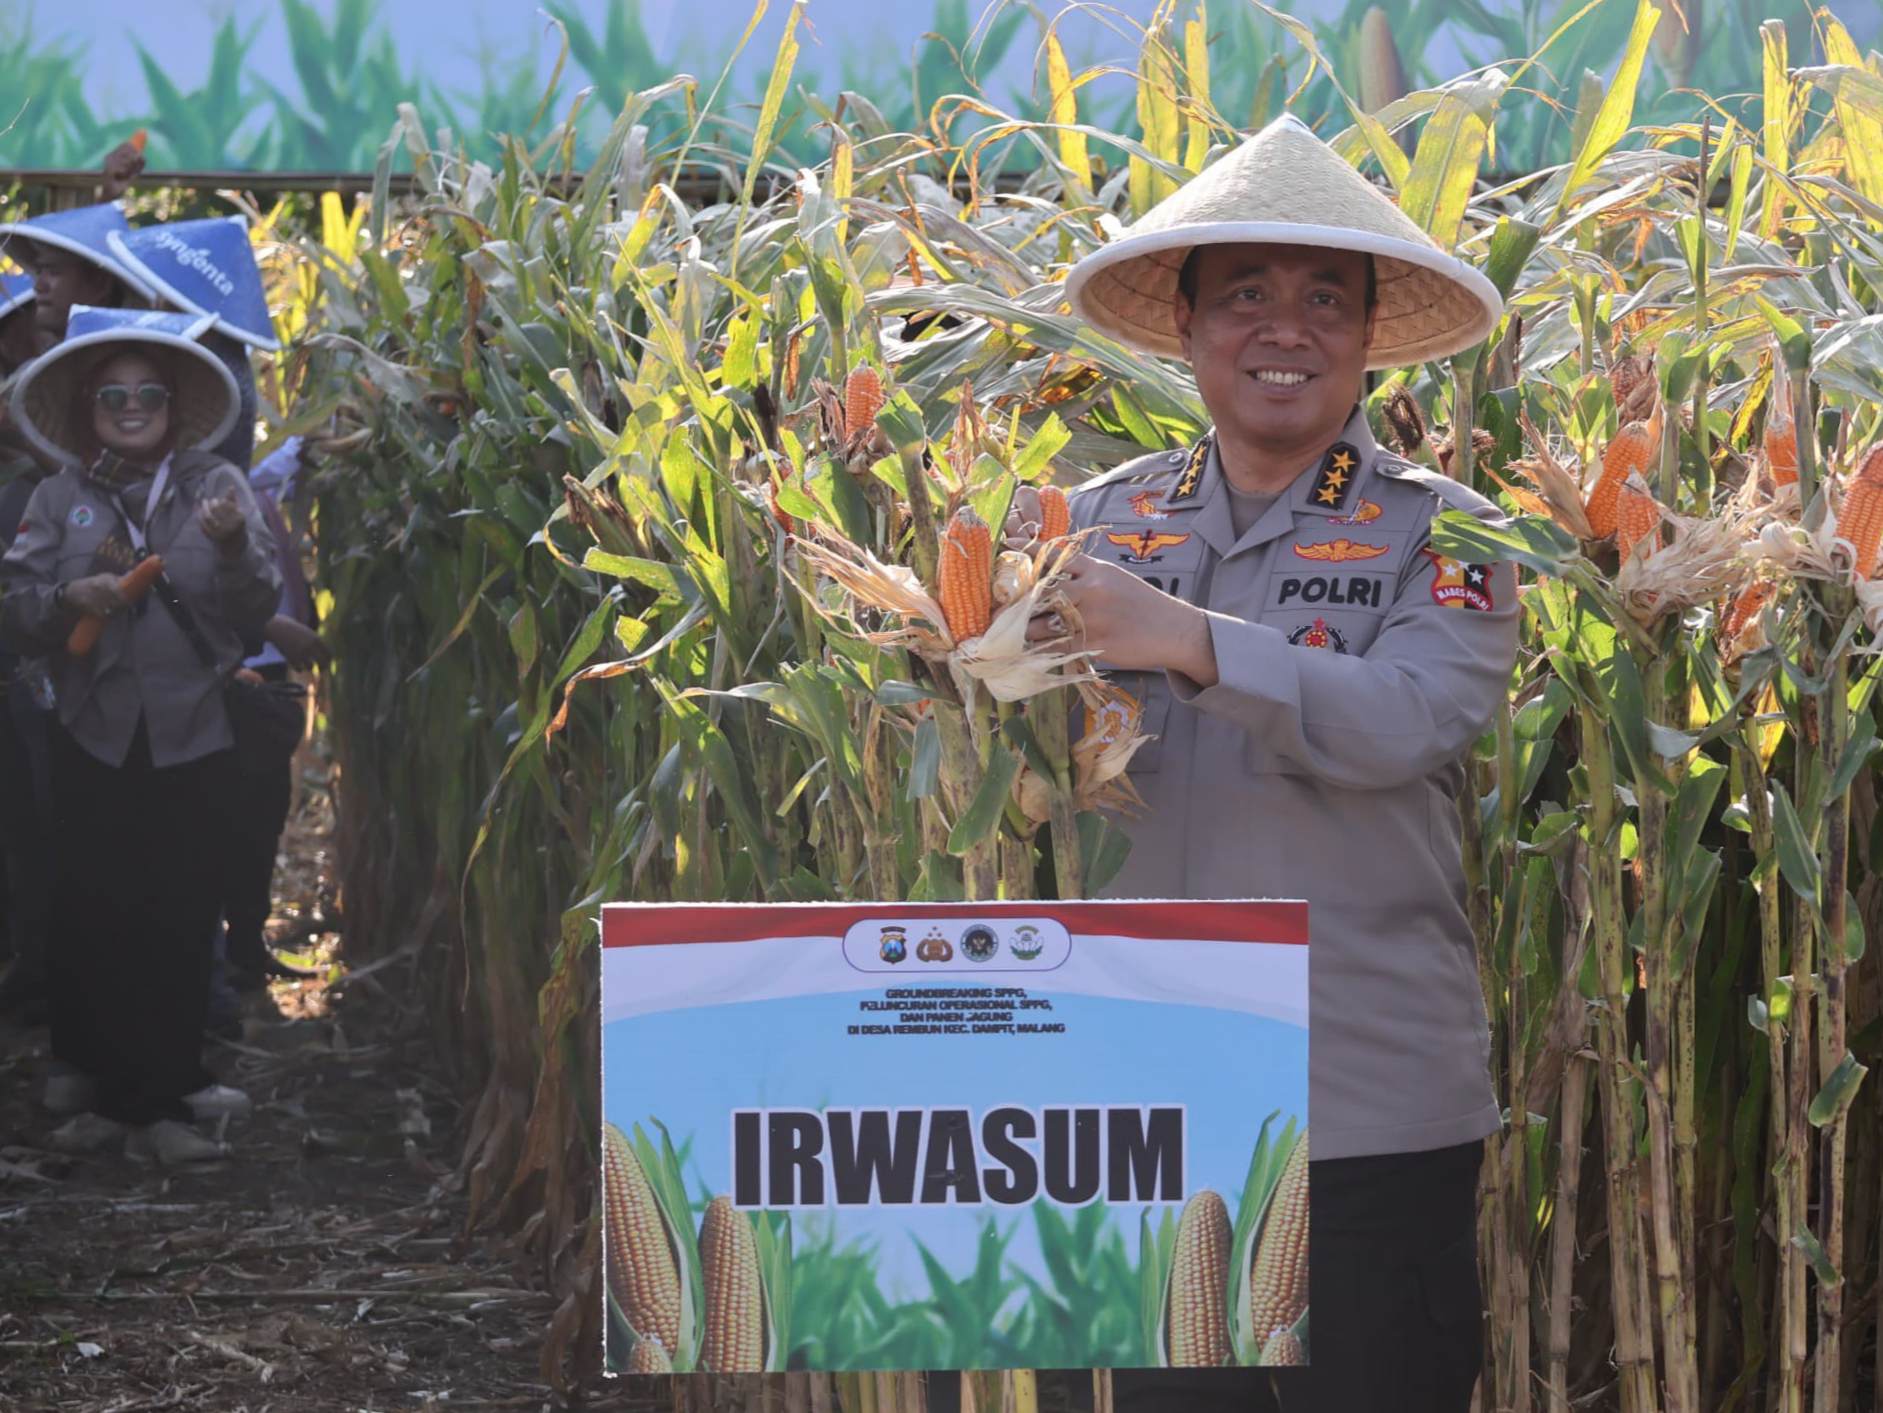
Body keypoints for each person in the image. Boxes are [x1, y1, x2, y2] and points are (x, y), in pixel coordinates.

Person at [1035, 114, 1518, 1411]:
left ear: (1366, 340)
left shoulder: (1449, 536)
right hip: (1145, 1104)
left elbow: (1411, 717)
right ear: (1185, 327)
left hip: (1359, 1107)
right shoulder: (1093, 522)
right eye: (1243, 295)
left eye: (1322, 300)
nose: (1282, 329)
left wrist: (1188, 642)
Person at [1, 306, 281, 1165]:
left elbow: (254, 609)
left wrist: (232, 551)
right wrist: (64, 602)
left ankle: (161, 1098)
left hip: (191, 736)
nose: (131, 407)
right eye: (113, 394)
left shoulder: (216, 493)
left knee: (178, 910)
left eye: (148, 393)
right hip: (92, 735)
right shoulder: (59, 499)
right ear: (88, 408)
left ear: (173, 405)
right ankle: (107, 1085)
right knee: (95, 909)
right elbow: (14, 613)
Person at [0, 203, 152, 359]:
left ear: (100, 283)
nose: (39, 286)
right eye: (39, 272)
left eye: (54, 272)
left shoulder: (129, 368)